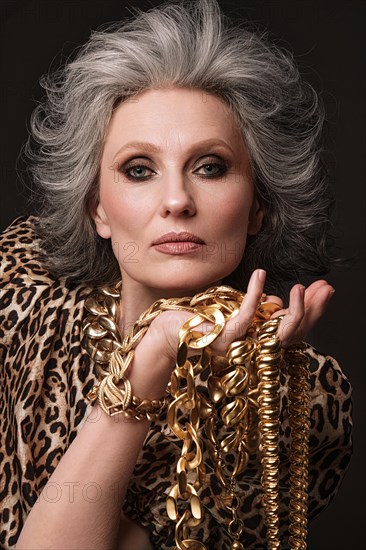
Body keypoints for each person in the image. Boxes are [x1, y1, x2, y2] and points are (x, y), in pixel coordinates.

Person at [0, 0, 352, 548]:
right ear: (97, 209)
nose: (177, 201)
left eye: (210, 167)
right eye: (139, 170)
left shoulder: (296, 398)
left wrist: (161, 351)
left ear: (258, 206)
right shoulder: (21, 285)